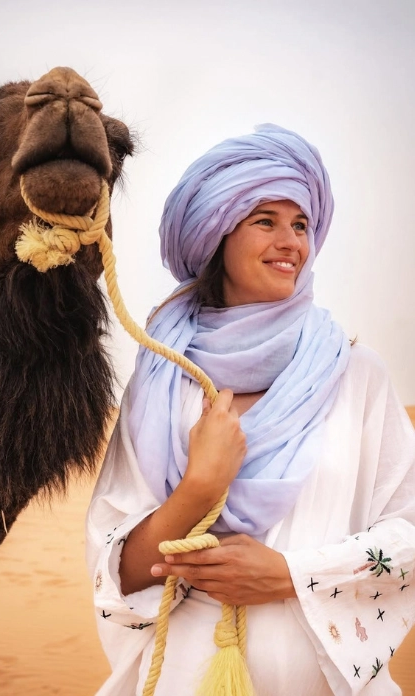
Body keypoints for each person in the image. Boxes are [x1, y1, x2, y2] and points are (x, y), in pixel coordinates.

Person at [86, 124, 415, 695]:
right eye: (265, 220)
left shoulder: (356, 372)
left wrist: (291, 575)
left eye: (302, 224)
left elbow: (409, 533)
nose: (291, 241)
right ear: (216, 233)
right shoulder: (163, 377)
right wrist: (197, 489)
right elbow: (118, 572)